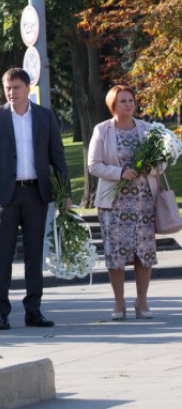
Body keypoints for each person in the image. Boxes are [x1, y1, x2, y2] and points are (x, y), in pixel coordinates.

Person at [0, 68, 69, 330]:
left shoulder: (44, 116)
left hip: (36, 194)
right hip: (6, 197)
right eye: (7, 87)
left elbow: (58, 156)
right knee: (3, 255)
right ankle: (1, 312)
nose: (11, 93)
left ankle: (33, 310)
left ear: (28, 88)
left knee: (33, 255)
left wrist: (65, 193)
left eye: (16, 87)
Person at [88, 85, 161, 320]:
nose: (128, 105)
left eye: (131, 100)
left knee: (144, 252)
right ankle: (118, 304)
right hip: (114, 204)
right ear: (113, 104)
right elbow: (93, 165)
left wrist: (152, 168)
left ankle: (142, 301)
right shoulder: (102, 131)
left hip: (143, 201)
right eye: (123, 101)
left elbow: (163, 161)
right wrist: (120, 173)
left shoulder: (148, 130)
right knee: (116, 254)